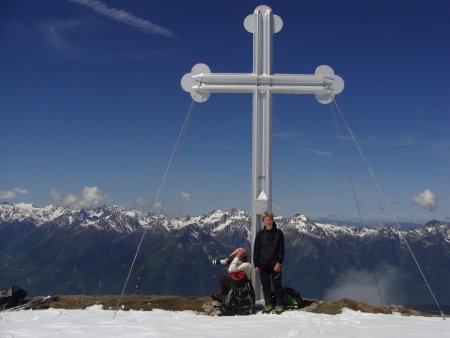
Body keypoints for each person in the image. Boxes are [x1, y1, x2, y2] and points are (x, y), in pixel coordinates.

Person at [253, 211, 285, 314]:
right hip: (263, 264)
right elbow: (256, 249)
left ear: (273, 220)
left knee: (277, 285)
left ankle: (279, 305)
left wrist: (279, 263)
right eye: (266, 220)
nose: (268, 222)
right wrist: (256, 264)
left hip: (275, 264)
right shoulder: (260, 234)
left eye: (270, 220)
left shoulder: (279, 233)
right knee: (265, 285)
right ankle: (268, 304)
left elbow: (281, 250)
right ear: (263, 221)